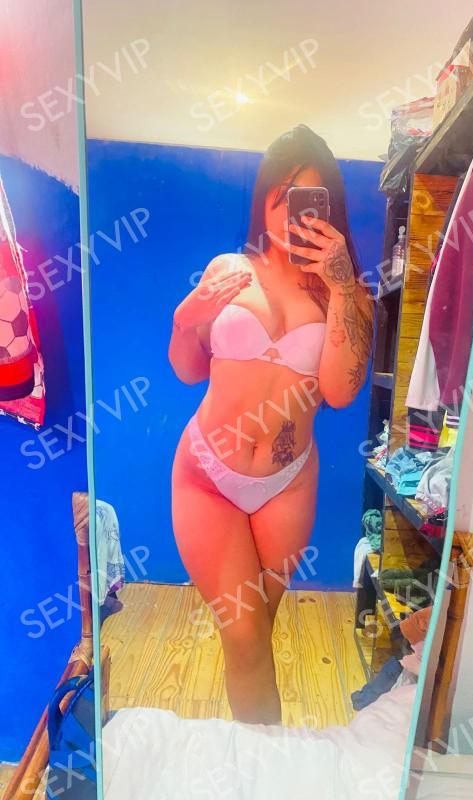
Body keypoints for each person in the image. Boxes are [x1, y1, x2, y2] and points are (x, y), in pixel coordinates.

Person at [169, 125, 374, 724]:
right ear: (262, 201)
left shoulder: (348, 294)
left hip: (287, 484)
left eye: (305, 200)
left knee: (257, 632)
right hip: (208, 476)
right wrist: (186, 318)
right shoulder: (230, 268)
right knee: (246, 639)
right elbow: (188, 369)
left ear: (328, 209)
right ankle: (263, 762)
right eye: (279, 197)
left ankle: (256, 757)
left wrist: (341, 284)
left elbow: (339, 391)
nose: (289, 214)